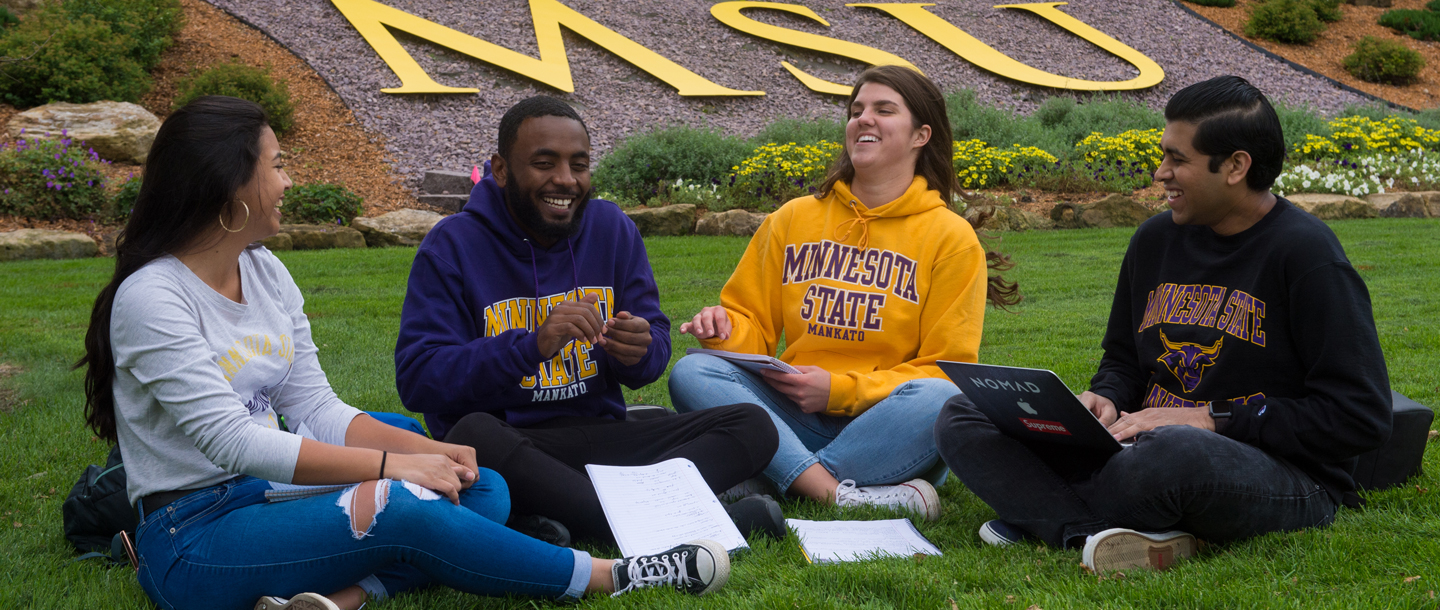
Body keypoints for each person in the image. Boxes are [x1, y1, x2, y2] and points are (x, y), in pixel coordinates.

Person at [77, 96, 729, 610]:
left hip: (268, 495)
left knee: (483, 485)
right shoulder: (153, 297)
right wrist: (395, 467)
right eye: (275, 164)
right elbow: (234, 444)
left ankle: (349, 597)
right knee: (404, 502)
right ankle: (615, 575)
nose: (287, 179)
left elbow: (314, 407)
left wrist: (428, 455)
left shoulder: (268, 273)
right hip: (194, 536)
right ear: (229, 184)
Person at [933, 75, 1393, 573]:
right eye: (1163, 156)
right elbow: (1124, 361)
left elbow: (1359, 415)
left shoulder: (1306, 255)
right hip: (1136, 446)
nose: (1160, 173)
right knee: (966, 412)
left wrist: (1210, 418)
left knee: (1175, 452)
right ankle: (1093, 530)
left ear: (1237, 165)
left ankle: (1043, 511)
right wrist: (1105, 397)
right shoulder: (1155, 240)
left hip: (1276, 472)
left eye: (1178, 159)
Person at [394, 95, 782, 546]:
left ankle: (568, 518)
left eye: (579, 165)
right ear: (501, 170)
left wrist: (640, 350)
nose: (565, 179)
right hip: (515, 446)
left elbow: (653, 350)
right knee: (471, 435)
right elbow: (419, 379)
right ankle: (668, 522)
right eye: (544, 163)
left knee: (751, 425)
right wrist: (530, 346)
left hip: (604, 437)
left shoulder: (611, 228)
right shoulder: (453, 244)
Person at [668, 65, 1020, 521]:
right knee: (693, 371)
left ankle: (773, 477)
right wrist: (722, 331)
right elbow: (751, 326)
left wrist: (838, 390)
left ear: (921, 136)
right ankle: (835, 493)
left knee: (939, 399)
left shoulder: (950, 238)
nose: (863, 119)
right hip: (792, 412)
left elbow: (945, 370)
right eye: (857, 110)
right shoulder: (793, 218)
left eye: (884, 110)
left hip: (885, 425)